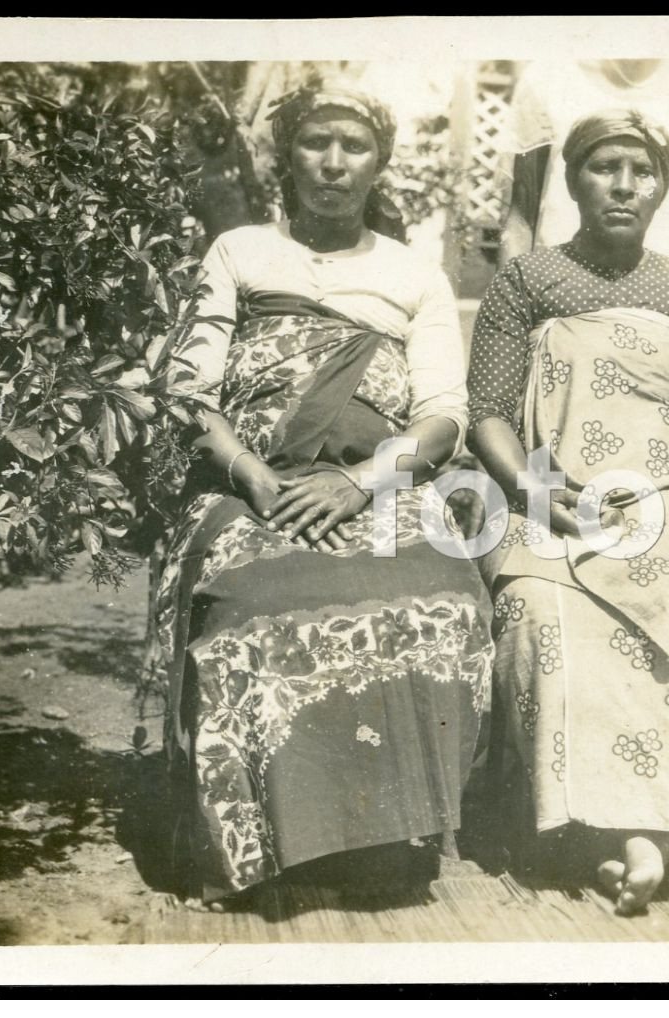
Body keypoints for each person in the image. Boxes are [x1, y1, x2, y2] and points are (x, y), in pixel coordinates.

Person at [150, 82, 496, 907]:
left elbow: (444, 415)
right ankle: (267, 842)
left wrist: (357, 483)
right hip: (252, 483)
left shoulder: (413, 274)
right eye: (315, 143)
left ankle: (385, 829)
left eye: (353, 147)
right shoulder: (238, 252)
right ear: (285, 154)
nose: (333, 164)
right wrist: (257, 480)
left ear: (379, 163)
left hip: (374, 482)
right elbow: (189, 391)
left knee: (444, 592)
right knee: (246, 599)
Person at [468, 110, 669, 916]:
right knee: (541, 614)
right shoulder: (527, 281)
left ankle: (655, 833)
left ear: (663, 187)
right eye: (604, 168)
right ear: (572, 181)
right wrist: (529, 490)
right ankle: (605, 832)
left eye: (643, 170)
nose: (624, 185)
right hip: (553, 500)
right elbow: (486, 409)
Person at [499, 59, 669, 351]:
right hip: (561, 313)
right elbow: (521, 219)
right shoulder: (547, 78)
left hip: (668, 319)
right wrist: (507, 311)